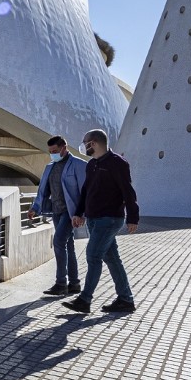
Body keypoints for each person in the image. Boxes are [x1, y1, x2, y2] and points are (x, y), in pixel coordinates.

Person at [63, 129, 139, 315]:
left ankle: (85, 299)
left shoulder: (117, 163)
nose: (83, 145)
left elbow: (128, 191)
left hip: (110, 219)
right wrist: (79, 213)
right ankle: (125, 299)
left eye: (85, 142)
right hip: (94, 219)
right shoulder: (92, 165)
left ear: (94, 143)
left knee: (93, 255)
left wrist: (132, 217)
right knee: (112, 258)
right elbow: (86, 191)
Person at [29, 135, 88, 296]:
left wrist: (81, 214)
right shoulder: (50, 167)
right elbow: (43, 190)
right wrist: (35, 208)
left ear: (64, 148)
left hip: (71, 213)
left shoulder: (79, 165)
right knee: (68, 246)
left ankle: (61, 283)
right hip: (56, 211)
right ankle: (74, 283)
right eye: (50, 152)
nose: (52, 154)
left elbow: (85, 191)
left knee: (58, 242)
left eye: (55, 151)